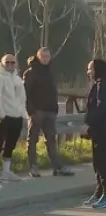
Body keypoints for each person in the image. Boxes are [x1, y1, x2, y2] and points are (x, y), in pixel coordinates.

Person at [22, 47, 74, 177]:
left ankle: (57, 167)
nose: (45, 59)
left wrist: (55, 108)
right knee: (32, 140)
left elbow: (53, 91)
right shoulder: (30, 72)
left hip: (50, 111)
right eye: (43, 56)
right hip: (37, 111)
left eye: (47, 56)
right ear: (38, 57)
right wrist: (31, 111)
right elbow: (26, 93)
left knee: (51, 140)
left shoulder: (50, 72)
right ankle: (33, 167)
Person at [83, 58, 106, 208]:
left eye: (90, 69)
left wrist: (89, 123)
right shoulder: (102, 83)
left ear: (97, 69)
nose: (88, 72)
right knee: (97, 163)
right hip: (99, 129)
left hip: (103, 129)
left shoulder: (104, 85)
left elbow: (101, 108)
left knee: (102, 162)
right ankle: (99, 192)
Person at [0, 54, 28, 182]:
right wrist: (2, 114)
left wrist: (23, 113)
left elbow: (22, 98)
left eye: (12, 62)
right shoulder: (1, 77)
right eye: (7, 62)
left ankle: (6, 172)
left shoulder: (17, 79)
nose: (10, 64)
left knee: (10, 145)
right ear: (2, 63)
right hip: (4, 116)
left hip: (17, 116)